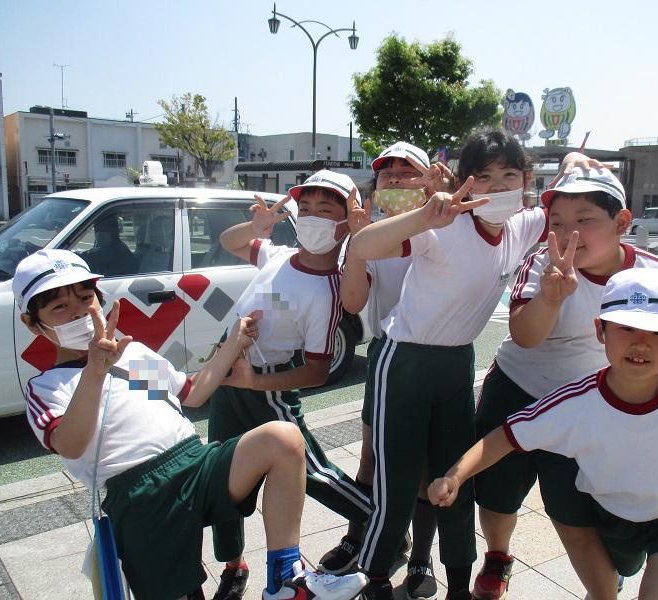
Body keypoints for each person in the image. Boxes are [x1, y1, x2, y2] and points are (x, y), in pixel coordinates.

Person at [14, 248, 368, 600]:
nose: (78, 312)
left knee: (283, 438)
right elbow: (70, 444)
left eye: (85, 298)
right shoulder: (46, 387)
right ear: (32, 322)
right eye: (59, 307)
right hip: (141, 497)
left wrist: (234, 342)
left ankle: (285, 580)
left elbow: (192, 392)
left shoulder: (132, 355)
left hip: (195, 462)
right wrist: (94, 371)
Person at [430, 267, 658, 600]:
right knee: (605, 585)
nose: (641, 343)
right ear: (600, 330)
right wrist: (455, 476)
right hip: (608, 518)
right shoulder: (575, 403)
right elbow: (507, 435)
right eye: (626, 328)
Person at [347, 129, 550, 600]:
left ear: (526, 181)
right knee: (397, 479)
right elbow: (363, 246)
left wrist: (580, 163)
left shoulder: (521, 226)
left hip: (458, 362)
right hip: (404, 360)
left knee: (456, 477)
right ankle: (375, 577)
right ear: (464, 182)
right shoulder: (444, 224)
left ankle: (459, 582)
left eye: (509, 176)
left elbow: (569, 205)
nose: (497, 187)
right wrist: (423, 215)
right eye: (484, 176)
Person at [471, 166, 658, 600]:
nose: (568, 235)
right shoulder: (541, 264)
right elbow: (525, 337)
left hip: (589, 406)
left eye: (585, 220)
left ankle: (604, 580)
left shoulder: (651, 275)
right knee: (496, 493)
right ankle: (498, 556)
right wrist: (551, 296)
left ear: (621, 222)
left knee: (576, 508)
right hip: (519, 391)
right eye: (558, 223)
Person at [209, 170, 372, 600]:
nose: (313, 217)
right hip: (229, 380)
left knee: (314, 472)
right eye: (308, 208)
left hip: (267, 388)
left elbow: (317, 371)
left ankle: (380, 523)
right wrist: (256, 227)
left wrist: (255, 383)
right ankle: (233, 565)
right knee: (221, 474)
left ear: (347, 222)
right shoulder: (278, 255)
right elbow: (229, 241)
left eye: (326, 210)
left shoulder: (329, 289)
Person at [321, 141, 451, 600]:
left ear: (429, 179)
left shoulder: (450, 229)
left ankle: (419, 557)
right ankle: (359, 536)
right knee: (370, 458)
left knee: (427, 468)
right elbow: (353, 301)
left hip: (437, 356)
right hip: (386, 356)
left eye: (407, 170)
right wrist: (357, 248)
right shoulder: (370, 235)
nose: (394, 178)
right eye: (386, 172)